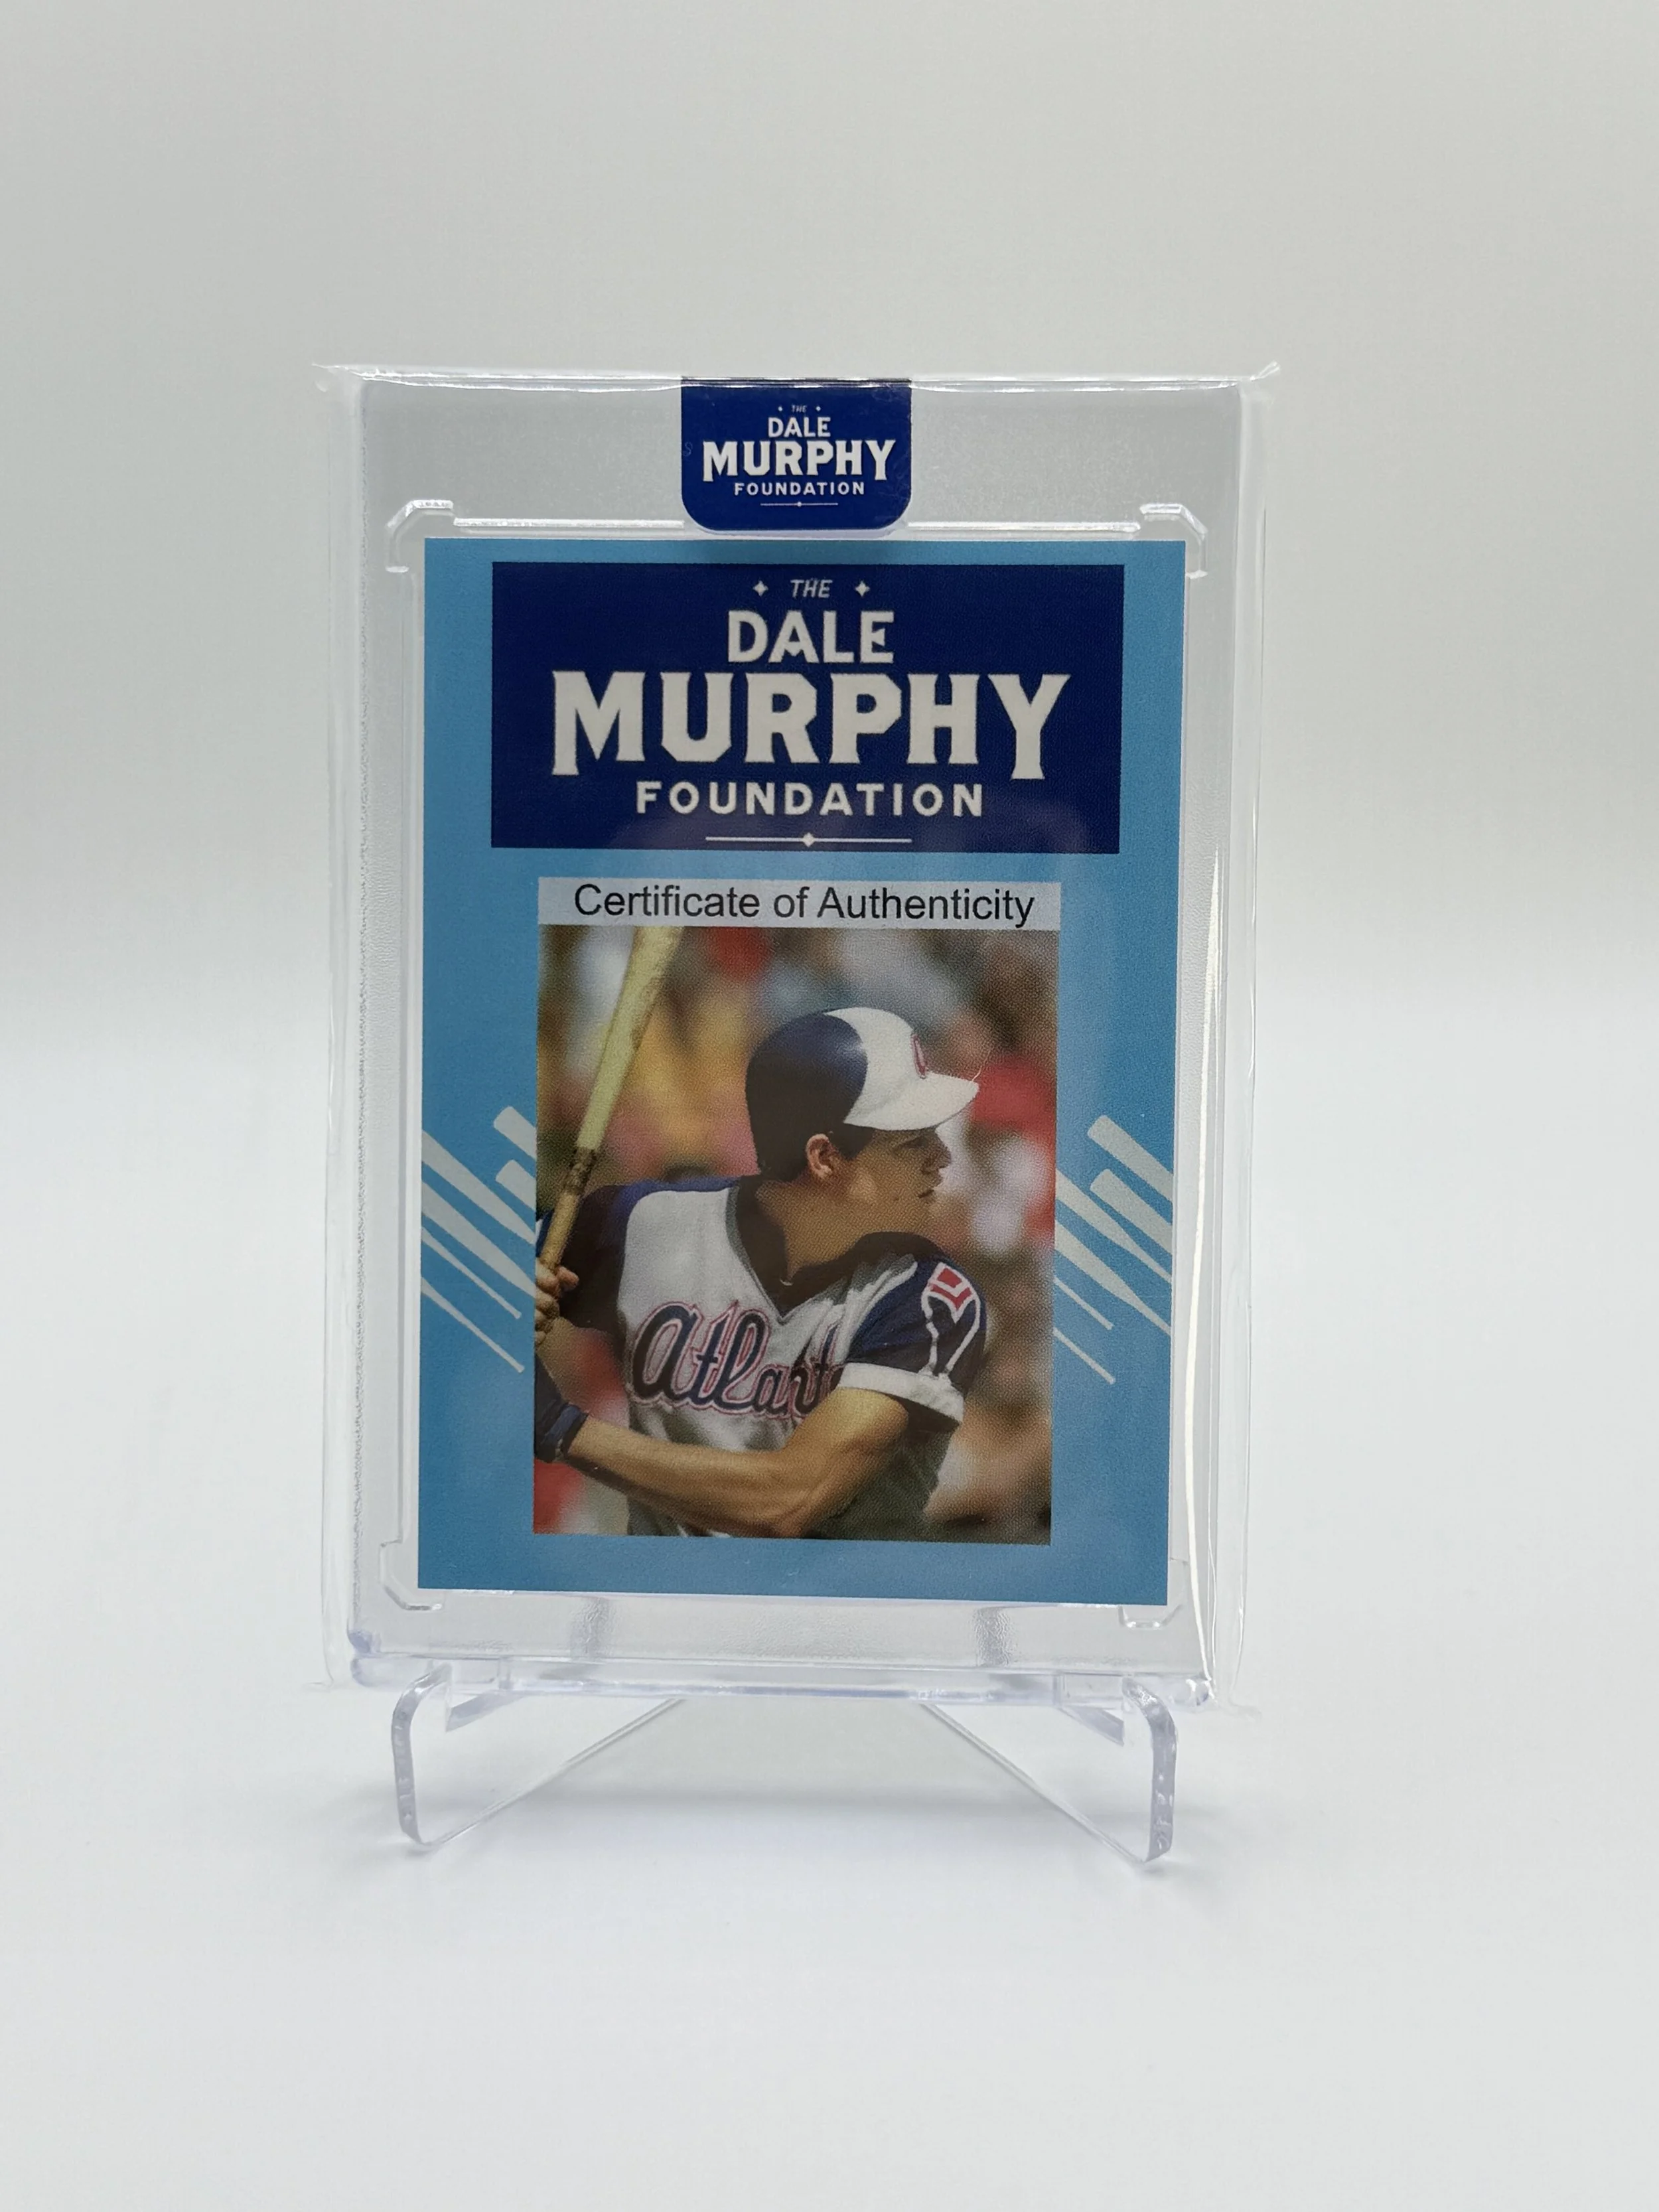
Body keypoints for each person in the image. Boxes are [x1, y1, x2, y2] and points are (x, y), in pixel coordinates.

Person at [533, 1007, 988, 1539]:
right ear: (824, 1158)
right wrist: (504, 1306)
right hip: (660, 1583)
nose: (943, 1157)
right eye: (913, 1142)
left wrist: (562, 1428)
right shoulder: (641, 1223)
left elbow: (788, 1499)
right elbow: (465, 1289)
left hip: (826, 1589)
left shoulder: (929, 1298)